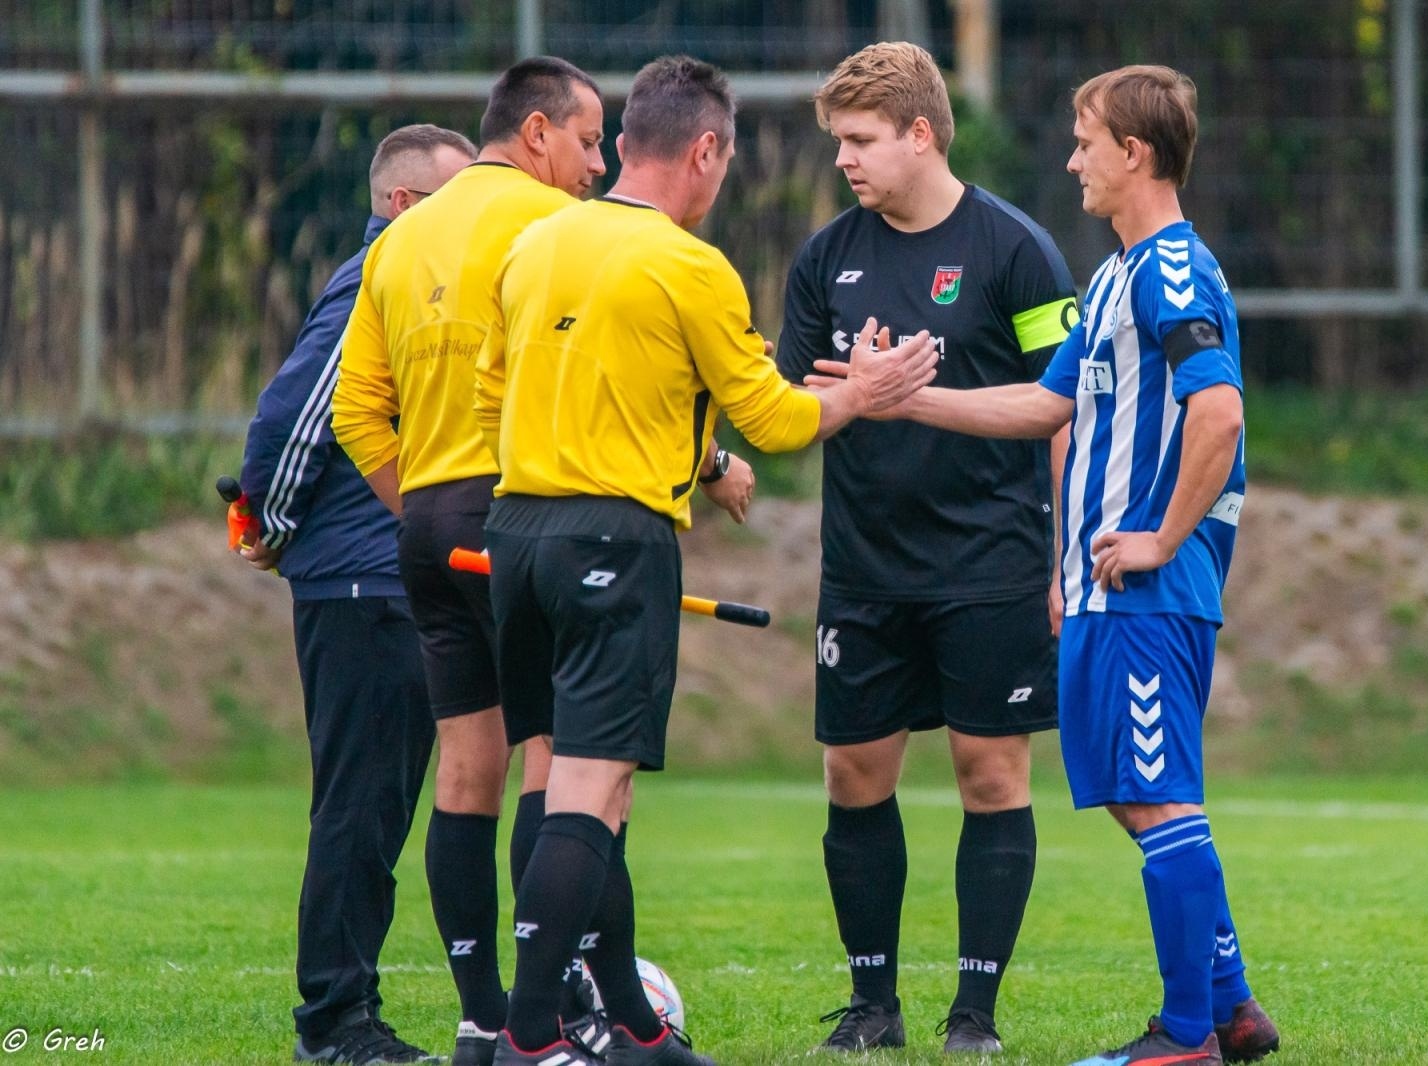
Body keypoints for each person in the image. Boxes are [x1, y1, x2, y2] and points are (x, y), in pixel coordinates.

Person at [807, 64, 1281, 1066]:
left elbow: (1221, 411)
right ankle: (1232, 1008)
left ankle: (1188, 1035)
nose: (1070, 159)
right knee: (1127, 793)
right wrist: (898, 398)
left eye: (1083, 139)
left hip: (1143, 583)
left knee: (1154, 795)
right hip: (1105, 587)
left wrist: (1160, 537)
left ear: (1132, 153)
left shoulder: (1172, 272)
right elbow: (1038, 404)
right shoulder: (1114, 275)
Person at [474, 55, 939, 1066]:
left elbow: (496, 387)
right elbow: (775, 419)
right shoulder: (689, 264)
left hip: (513, 535)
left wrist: (687, 452)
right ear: (706, 150)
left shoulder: (537, 240)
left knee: (565, 781)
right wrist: (867, 389)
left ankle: (635, 1029)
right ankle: (529, 1035)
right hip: (614, 539)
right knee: (587, 793)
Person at [773, 41, 1079, 1054]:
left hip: (990, 562)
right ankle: (872, 1006)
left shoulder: (1018, 250)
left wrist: (1066, 551)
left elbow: (1061, 403)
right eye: (837, 143)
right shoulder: (826, 258)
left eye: (860, 140)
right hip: (862, 567)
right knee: (852, 775)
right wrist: (851, 392)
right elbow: (791, 403)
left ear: (920, 132)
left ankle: (974, 1016)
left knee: (990, 777)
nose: (845, 161)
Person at [330, 57, 609, 1066]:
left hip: (428, 523)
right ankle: (544, 1019)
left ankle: (479, 1014)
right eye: (586, 141)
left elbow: (355, 408)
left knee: (465, 767)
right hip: (522, 511)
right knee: (557, 760)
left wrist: (427, 512)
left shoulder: (400, 238)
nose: (595, 165)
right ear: (535, 133)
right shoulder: (552, 229)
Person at [237, 123, 475, 1064]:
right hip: (359, 581)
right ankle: (334, 1023)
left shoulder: (425, 286)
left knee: (383, 805)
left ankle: (352, 1012)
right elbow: (293, 419)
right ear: (405, 206)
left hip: (395, 575)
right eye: (459, 203)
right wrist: (272, 526)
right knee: (360, 806)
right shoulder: (377, 279)